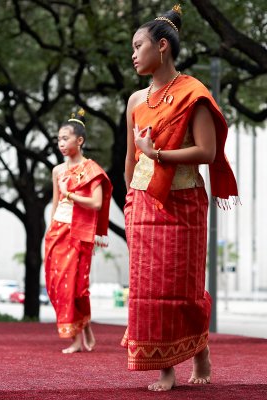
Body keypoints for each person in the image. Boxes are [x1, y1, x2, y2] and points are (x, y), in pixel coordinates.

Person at [121, 4, 238, 391]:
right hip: (143, 201)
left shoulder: (193, 95)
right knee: (148, 288)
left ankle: (199, 346)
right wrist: (129, 200)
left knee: (181, 286)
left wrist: (159, 155)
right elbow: (129, 158)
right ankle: (165, 366)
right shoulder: (136, 101)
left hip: (183, 200)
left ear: (164, 47)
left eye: (139, 45)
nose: (133, 54)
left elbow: (206, 152)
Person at [45, 109, 112, 354]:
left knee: (75, 287)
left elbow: (96, 203)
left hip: (79, 233)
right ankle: (84, 327)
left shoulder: (91, 169)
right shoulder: (57, 171)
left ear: (79, 141)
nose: (61, 143)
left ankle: (76, 337)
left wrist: (70, 193)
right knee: (55, 285)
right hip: (57, 231)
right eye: (59, 139)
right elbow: (55, 203)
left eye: (66, 138)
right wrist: (49, 228)